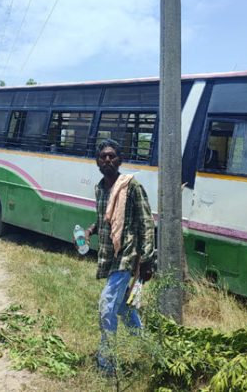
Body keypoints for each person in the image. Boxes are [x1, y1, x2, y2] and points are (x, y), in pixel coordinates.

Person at [80, 139, 156, 375]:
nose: (107, 160)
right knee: (124, 308)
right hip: (109, 256)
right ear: (97, 162)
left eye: (112, 156)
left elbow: (146, 223)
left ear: (120, 160)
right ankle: (150, 350)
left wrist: (147, 259)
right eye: (103, 157)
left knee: (106, 305)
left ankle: (106, 364)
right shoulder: (99, 188)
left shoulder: (131, 187)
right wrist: (89, 231)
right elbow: (104, 217)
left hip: (127, 255)